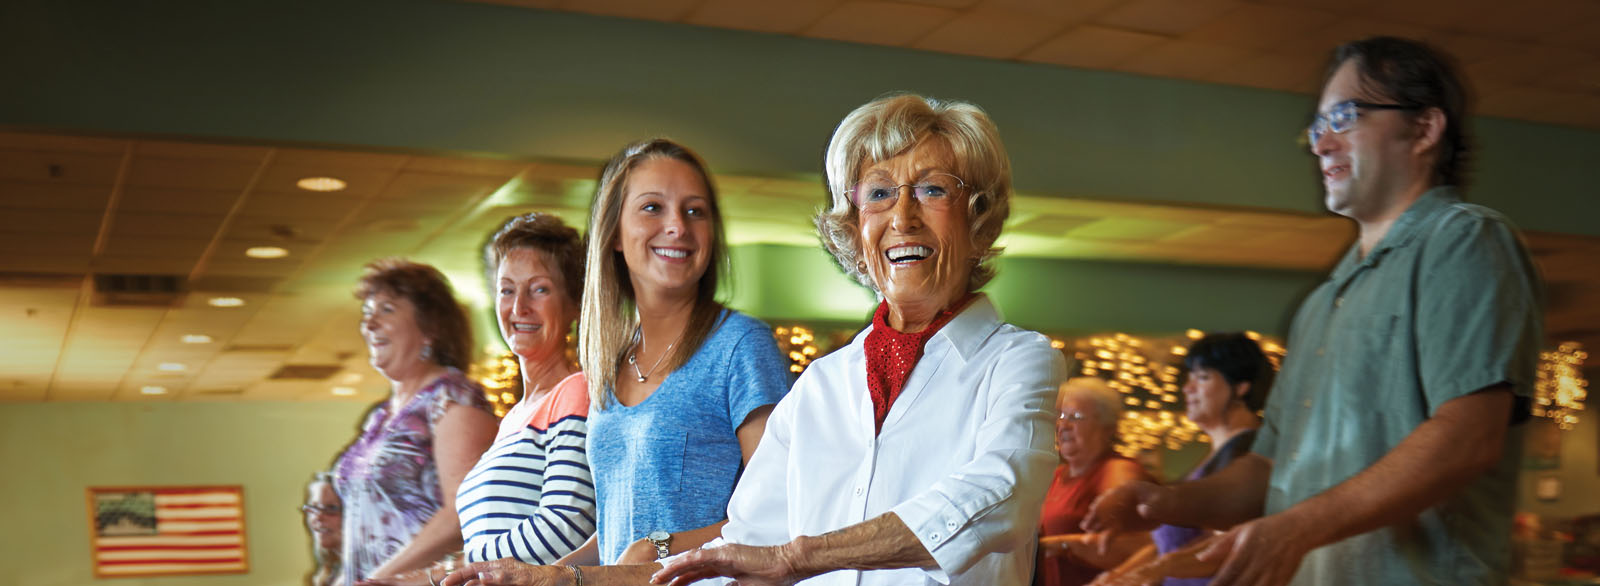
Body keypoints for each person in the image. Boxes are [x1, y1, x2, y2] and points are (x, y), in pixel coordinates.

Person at [440, 94, 1067, 586]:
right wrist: (565, 580)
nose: (901, 216)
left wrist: (798, 557)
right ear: (854, 227)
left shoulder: (1019, 361)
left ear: (978, 217)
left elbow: (996, 496)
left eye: (932, 190)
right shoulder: (824, 384)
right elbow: (737, 545)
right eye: (878, 193)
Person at [1081, 36, 1544, 586]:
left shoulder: (1464, 241)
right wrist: (1165, 502)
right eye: (1317, 125)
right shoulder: (1324, 302)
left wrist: (1297, 528)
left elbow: (1467, 438)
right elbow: (1269, 471)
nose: (1321, 143)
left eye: (1345, 117)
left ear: (1424, 129)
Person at [441, 138, 793, 584]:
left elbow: (781, 513)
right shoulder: (608, 368)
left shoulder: (741, 346)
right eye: (652, 208)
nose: (677, 227)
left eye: (694, 211)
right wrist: (540, 575)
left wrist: (661, 546)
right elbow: (614, 541)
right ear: (614, 235)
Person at [336, 259, 498, 583]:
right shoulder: (380, 417)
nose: (369, 324)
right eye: (367, 312)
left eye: (386, 310)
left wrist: (377, 580)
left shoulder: (452, 399)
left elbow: (462, 515)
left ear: (430, 328)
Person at [1090, 333, 1272, 586]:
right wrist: (1119, 576)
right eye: (1190, 377)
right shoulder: (1216, 455)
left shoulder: (1244, 452)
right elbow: (1169, 548)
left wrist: (1152, 570)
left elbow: (1231, 544)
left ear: (1242, 386)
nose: (1188, 388)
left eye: (1203, 377)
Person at [1036, 378, 1154, 586]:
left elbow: (1145, 546)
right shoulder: (1055, 476)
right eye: (1061, 415)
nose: (1063, 425)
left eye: (1076, 417)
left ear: (1107, 427)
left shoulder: (1117, 471)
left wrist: (1065, 545)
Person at [304, 471, 343, 586]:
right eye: (313, 507)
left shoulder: (375, 573)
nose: (318, 517)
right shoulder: (328, 574)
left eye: (331, 508)